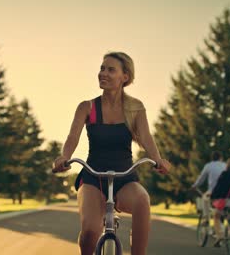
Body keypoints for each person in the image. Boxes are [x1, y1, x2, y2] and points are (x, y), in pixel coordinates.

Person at [52, 51, 171, 255]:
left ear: (125, 77)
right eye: (102, 68)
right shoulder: (87, 107)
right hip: (93, 178)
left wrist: (158, 160)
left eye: (110, 69)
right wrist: (65, 157)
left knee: (142, 200)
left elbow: (146, 138)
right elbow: (73, 137)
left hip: (125, 178)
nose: (103, 73)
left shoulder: (135, 108)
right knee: (90, 231)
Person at [191, 151, 226, 224]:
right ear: (221, 158)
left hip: (212, 191)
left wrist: (195, 186)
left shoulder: (208, 166)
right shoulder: (225, 165)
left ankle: (206, 218)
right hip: (224, 192)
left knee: (205, 199)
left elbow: (201, 178)